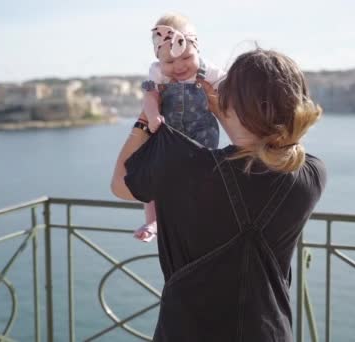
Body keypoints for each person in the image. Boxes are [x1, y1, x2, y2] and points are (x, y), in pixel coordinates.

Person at [111, 48, 326, 341]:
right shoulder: (310, 175)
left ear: (231, 103)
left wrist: (146, 116)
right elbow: (265, 150)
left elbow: (121, 183)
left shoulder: (182, 164)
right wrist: (227, 108)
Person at [133, 13, 226, 242]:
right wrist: (153, 115)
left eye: (186, 57)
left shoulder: (208, 71)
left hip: (201, 136)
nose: (179, 66)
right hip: (168, 135)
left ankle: (204, 218)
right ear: (158, 60)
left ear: (197, 50)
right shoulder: (157, 73)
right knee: (152, 174)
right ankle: (153, 220)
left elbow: (228, 87)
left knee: (203, 176)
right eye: (170, 62)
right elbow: (150, 97)